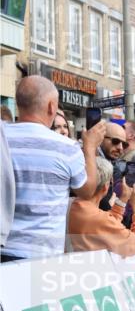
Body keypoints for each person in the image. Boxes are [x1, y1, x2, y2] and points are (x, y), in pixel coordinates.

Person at [4, 76, 104, 261]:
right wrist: (89, 148)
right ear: (51, 106)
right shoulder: (66, 147)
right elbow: (87, 190)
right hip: (42, 254)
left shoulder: (3, 138)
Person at [68, 157, 135, 256]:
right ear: (106, 187)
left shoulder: (71, 204)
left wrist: (123, 199)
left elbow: (106, 225)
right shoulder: (98, 219)